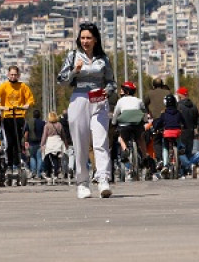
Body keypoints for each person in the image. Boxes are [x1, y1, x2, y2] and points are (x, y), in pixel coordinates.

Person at [57, 22, 116, 199]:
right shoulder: (73, 56)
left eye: (88, 38)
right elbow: (61, 80)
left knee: (100, 140)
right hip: (79, 99)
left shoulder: (103, 59)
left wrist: (108, 91)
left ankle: (103, 178)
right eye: (82, 38)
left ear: (95, 39)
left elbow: (112, 81)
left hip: (98, 100)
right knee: (81, 143)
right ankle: (82, 183)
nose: (85, 41)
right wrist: (75, 71)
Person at [0, 65, 34, 177]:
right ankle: (9, 165)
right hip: (8, 117)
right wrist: (1, 106)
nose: (13, 76)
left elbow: (30, 99)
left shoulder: (23, 86)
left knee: (18, 143)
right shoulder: (4, 86)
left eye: (15, 74)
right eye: (11, 74)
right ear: (8, 75)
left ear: (18, 75)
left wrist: (26, 105)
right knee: (10, 143)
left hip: (19, 116)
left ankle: (18, 164)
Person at [112, 81, 148, 171]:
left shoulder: (120, 101)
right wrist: (145, 121)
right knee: (140, 138)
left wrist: (113, 122)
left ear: (126, 91)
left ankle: (125, 150)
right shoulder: (139, 100)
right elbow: (144, 112)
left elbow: (116, 113)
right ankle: (144, 156)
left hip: (124, 125)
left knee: (121, 138)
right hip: (137, 124)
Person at [152, 94, 187, 177]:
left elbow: (159, 122)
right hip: (176, 131)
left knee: (165, 146)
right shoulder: (178, 112)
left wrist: (155, 129)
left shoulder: (164, 113)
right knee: (178, 137)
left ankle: (165, 165)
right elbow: (184, 122)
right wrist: (185, 127)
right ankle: (180, 147)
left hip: (167, 132)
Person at [41, 111, 69, 185]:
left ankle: (48, 175)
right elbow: (63, 135)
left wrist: (42, 144)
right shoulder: (59, 125)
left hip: (50, 142)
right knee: (56, 159)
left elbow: (44, 136)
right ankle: (56, 174)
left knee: (47, 158)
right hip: (58, 142)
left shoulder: (47, 125)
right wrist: (66, 144)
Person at [176, 87, 199, 161]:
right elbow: (198, 120)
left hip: (181, 131)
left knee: (181, 151)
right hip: (191, 132)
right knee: (189, 151)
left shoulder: (178, 106)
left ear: (180, 95)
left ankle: (183, 168)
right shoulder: (193, 106)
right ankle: (189, 168)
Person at [28, 109, 46, 180]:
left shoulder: (29, 122)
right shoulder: (43, 123)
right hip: (40, 142)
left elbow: (26, 132)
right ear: (39, 115)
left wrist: (26, 141)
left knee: (32, 157)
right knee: (39, 158)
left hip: (31, 143)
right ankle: (39, 174)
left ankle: (33, 172)